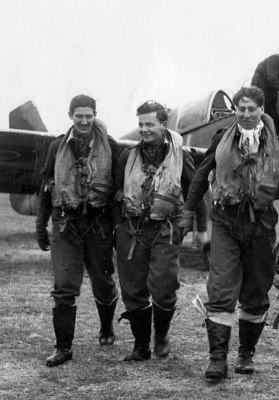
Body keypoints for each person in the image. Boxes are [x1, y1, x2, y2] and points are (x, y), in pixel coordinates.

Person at [179, 86, 279, 381]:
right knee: (221, 289)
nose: (246, 114)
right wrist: (188, 212)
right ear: (234, 110)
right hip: (225, 223)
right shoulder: (220, 141)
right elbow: (200, 176)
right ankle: (217, 360)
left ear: (262, 110)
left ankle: (246, 354)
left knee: (255, 294)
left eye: (252, 109)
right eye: (241, 109)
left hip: (261, 228)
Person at [113, 101, 208, 362]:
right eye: (141, 124)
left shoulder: (181, 156)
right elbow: (115, 193)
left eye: (150, 124)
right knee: (132, 290)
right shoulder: (126, 156)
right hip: (132, 231)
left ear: (163, 125)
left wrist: (202, 228)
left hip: (165, 231)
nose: (144, 129)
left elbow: (198, 191)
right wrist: (117, 230)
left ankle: (161, 336)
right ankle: (141, 346)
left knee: (164, 286)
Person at [36, 95, 120, 367]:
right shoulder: (56, 146)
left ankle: (106, 328)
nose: (84, 121)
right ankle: (63, 348)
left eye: (89, 116)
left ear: (95, 114)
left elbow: (118, 192)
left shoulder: (113, 147)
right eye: (78, 116)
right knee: (64, 286)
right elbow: (46, 187)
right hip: (65, 225)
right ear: (70, 115)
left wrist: (118, 231)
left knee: (104, 283)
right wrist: (40, 225)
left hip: (99, 226)